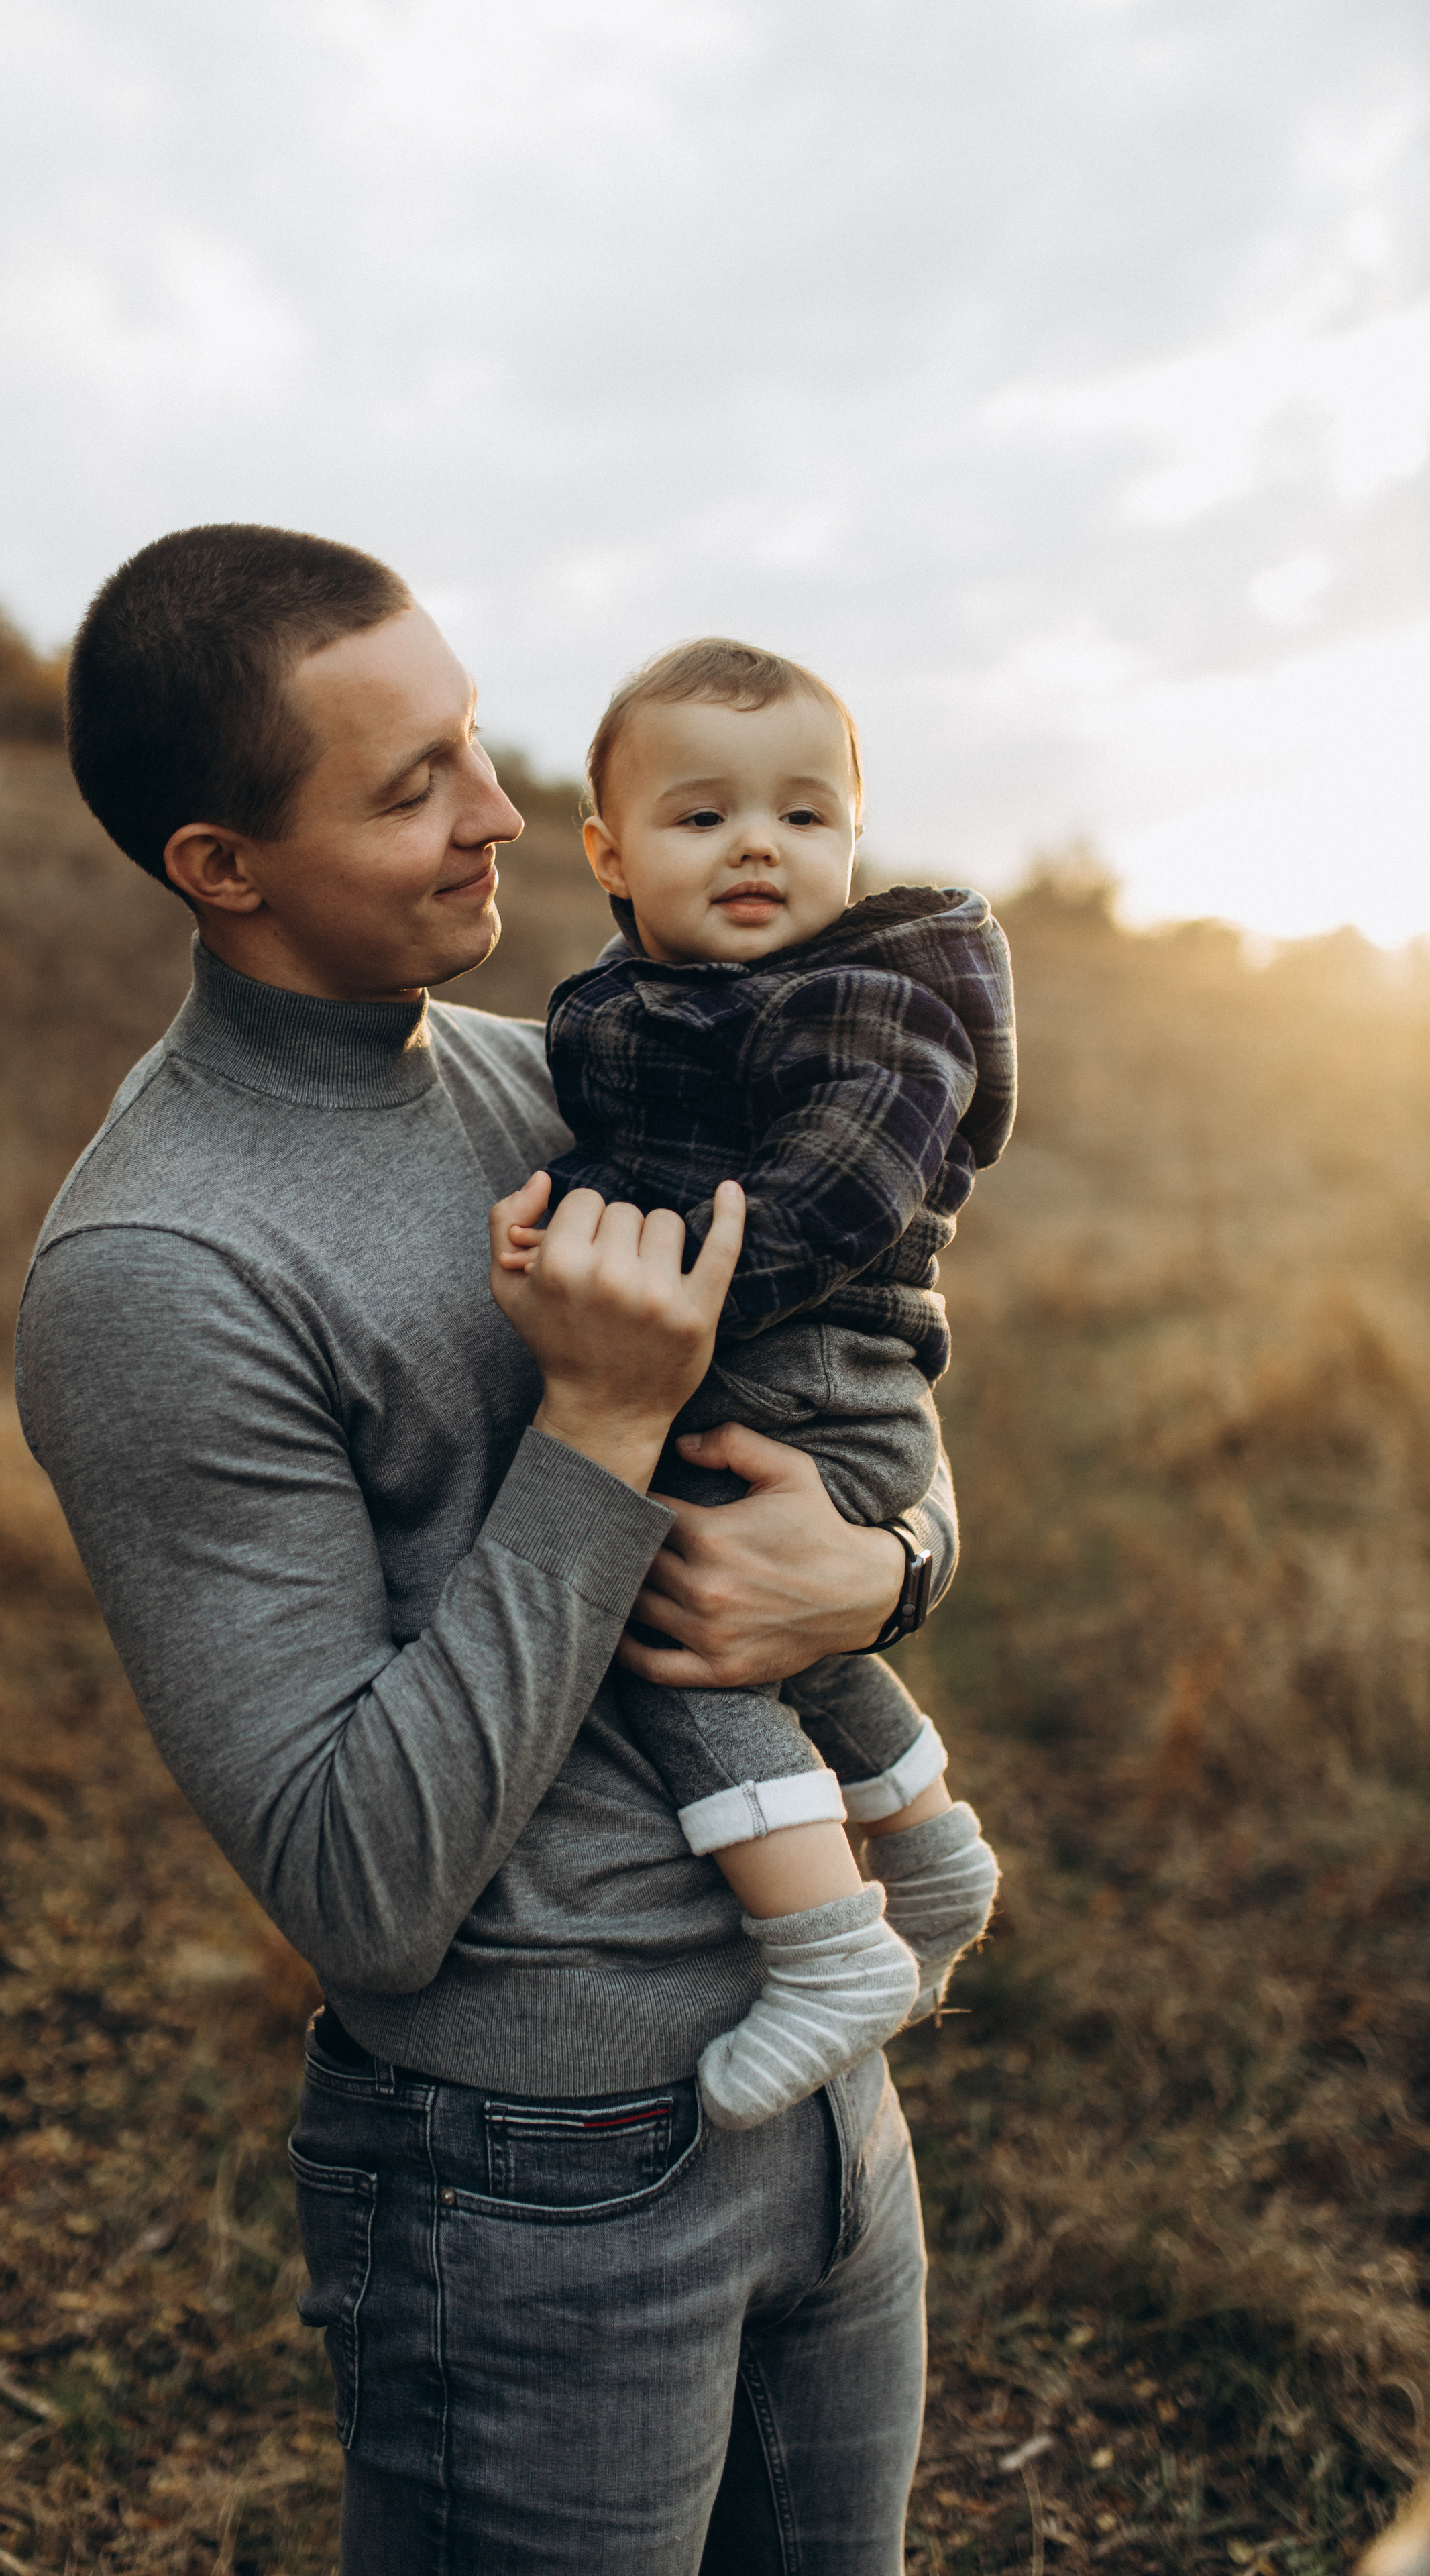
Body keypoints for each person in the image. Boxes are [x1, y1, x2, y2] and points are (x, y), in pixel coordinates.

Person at [16, 523, 968, 2575]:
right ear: (221, 865)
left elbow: (866, 1392)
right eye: (411, 786)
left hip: (827, 2087)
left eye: (470, 738)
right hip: (534, 2184)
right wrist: (601, 1429)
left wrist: (888, 1573)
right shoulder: (156, 1270)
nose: (501, 815)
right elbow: (359, 1888)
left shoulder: (563, 1079)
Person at [496, 638, 1011, 2130]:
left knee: (663, 1628)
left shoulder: (868, 1004)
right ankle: (930, 1851)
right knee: (783, 1635)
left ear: (854, 835)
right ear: (608, 854)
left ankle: (827, 1946)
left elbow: (838, 1199)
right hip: (783, 1381)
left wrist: (643, 1300)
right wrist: (563, 1211)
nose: (757, 847)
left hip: (816, 1380)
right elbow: (637, 1162)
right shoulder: (649, 1001)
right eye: (703, 815)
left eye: (802, 813)